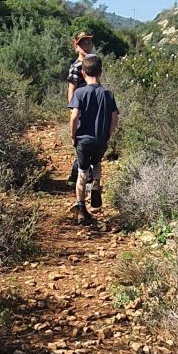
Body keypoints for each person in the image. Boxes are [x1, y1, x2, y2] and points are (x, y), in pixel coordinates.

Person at [69, 54, 119, 225]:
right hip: (100, 140)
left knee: (82, 173)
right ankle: (96, 183)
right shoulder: (108, 94)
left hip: (83, 140)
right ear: (100, 72)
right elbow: (114, 118)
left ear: (83, 73)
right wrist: (108, 134)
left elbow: (74, 116)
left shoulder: (79, 92)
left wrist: (73, 135)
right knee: (96, 163)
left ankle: (81, 209)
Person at [66, 31, 94, 184]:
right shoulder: (76, 67)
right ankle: (78, 174)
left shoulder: (93, 63)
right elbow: (71, 89)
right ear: (76, 46)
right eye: (83, 43)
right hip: (81, 111)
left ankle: (78, 173)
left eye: (89, 42)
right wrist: (73, 110)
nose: (86, 45)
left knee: (88, 142)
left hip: (92, 111)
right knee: (81, 142)